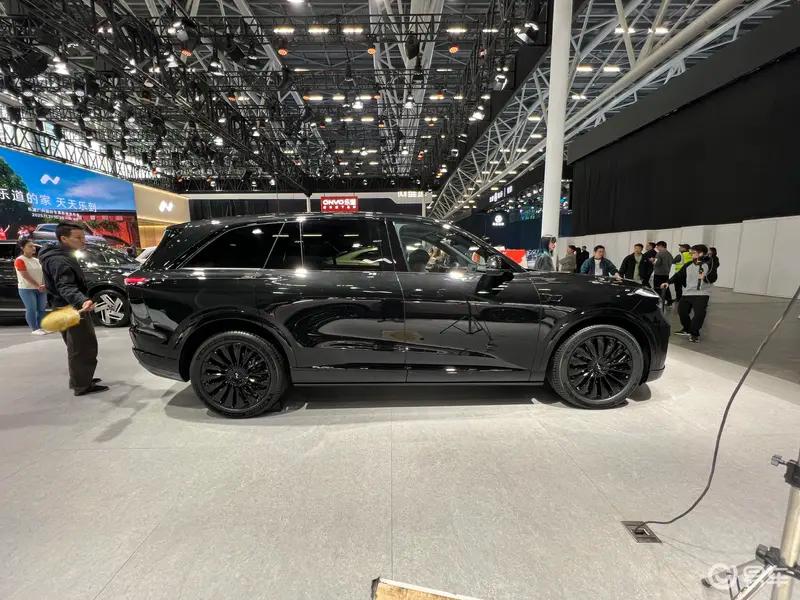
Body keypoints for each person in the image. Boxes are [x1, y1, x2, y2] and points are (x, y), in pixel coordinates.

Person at [39, 222, 108, 396]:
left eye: (83, 237)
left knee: (76, 346)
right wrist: (82, 300)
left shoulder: (57, 254)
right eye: (78, 238)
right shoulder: (59, 260)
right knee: (83, 347)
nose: (83, 241)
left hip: (62, 307)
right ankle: (82, 386)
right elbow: (65, 286)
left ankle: (81, 380)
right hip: (71, 309)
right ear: (63, 238)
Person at [661, 244, 714, 343]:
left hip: (702, 294)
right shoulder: (688, 265)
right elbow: (678, 275)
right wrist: (668, 282)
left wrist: (705, 276)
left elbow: (713, 277)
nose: (691, 254)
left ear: (701, 253)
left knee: (699, 314)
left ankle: (694, 334)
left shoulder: (709, 264)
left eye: (693, 253)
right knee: (682, 311)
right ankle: (687, 329)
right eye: (691, 253)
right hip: (688, 293)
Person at [14, 239, 49, 335]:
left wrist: (44, 285)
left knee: (41, 309)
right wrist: (38, 285)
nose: (33, 248)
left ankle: (41, 327)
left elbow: (42, 274)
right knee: (31, 309)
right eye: (30, 246)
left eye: (34, 246)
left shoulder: (37, 260)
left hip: (41, 288)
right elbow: (25, 275)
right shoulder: (20, 260)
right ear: (22, 248)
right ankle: (34, 329)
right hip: (26, 289)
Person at [652, 241, 674, 306]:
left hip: (658, 273)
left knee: (657, 288)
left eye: (657, 247)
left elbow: (657, 263)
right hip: (666, 273)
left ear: (661, 246)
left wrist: (653, 261)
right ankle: (669, 301)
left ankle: (658, 301)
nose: (657, 248)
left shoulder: (659, 254)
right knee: (666, 287)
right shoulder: (669, 254)